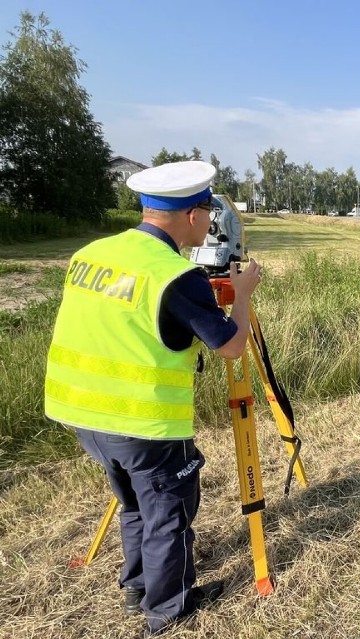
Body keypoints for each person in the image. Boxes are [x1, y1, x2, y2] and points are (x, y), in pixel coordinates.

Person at [43, 161, 262, 637]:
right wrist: (241, 294)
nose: (210, 221)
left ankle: (136, 586)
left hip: (82, 414)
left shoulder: (93, 253)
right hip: (144, 422)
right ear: (191, 216)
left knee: (136, 505)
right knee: (169, 514)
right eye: (208, 210)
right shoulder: (176, 276)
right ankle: (168, 609)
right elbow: (230, 346)